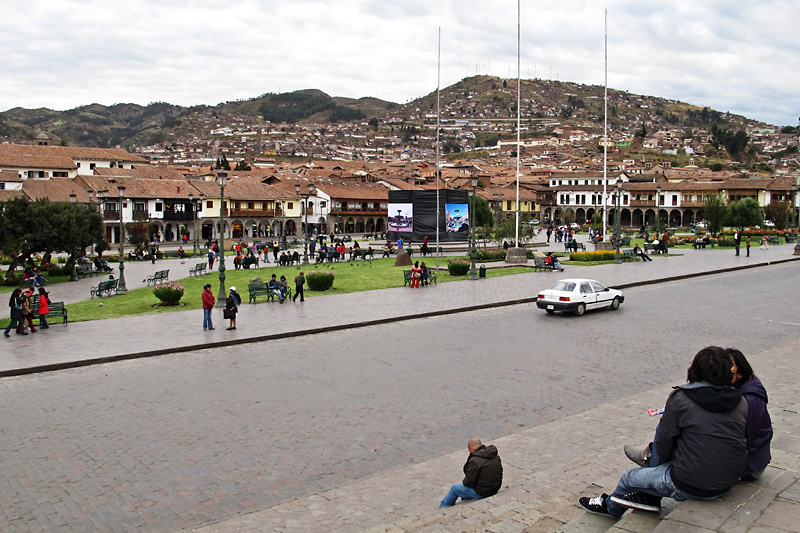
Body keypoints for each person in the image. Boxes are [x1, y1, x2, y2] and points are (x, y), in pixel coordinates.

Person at [579, 346, 748, 518]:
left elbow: (665, 444)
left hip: (691, 484)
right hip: (727, 481)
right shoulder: (741, 401)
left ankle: (612, 507)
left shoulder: (682, 398)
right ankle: (648, 489)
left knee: (629, 477)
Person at [439, 438, 503, 508]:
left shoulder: (475, 461)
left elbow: (469, 482)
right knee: (465, 489)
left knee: (455, 488)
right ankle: (465, 501)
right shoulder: (494, 455)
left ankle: (443, 507)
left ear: (472, 448)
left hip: (483, 492)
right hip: (495, 488)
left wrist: (465, 481)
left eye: (469, 450)